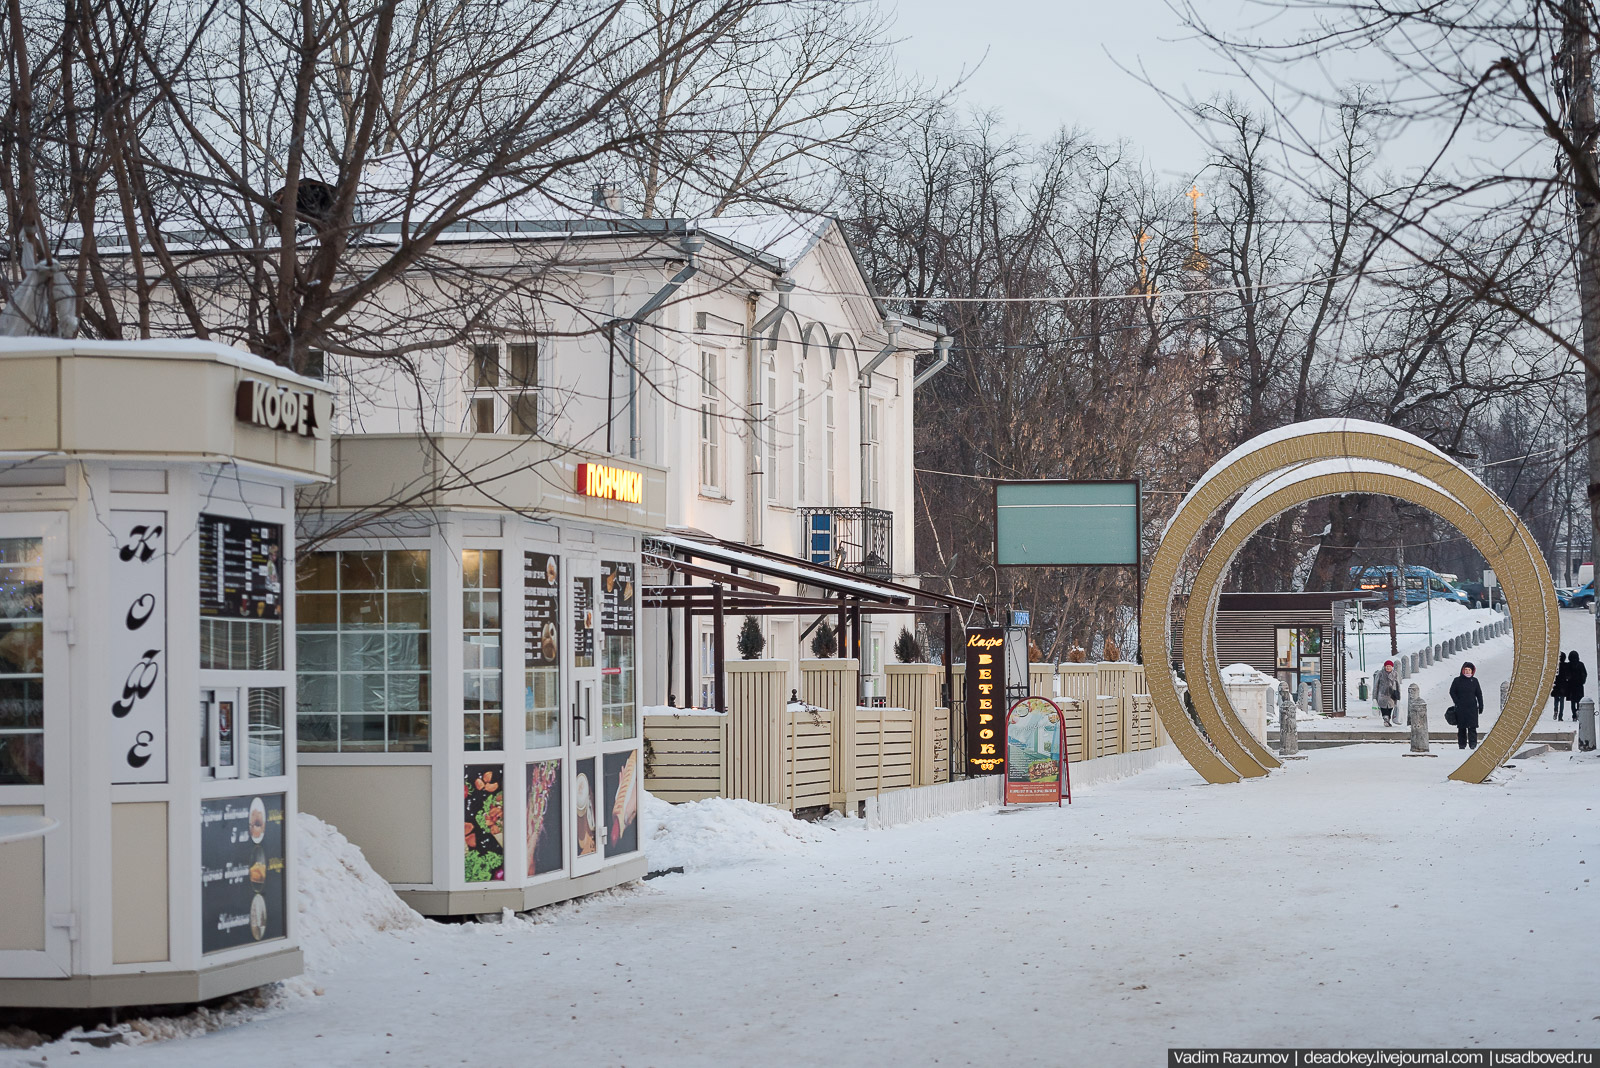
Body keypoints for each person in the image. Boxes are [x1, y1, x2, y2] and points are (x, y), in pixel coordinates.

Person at [1449, 662, 1484, 750]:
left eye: (1469, 670)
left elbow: (1479, 694)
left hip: (1472, 707)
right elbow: (1452, 692)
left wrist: (1481, 705)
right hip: (1461, 707)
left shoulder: (1475, 681)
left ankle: (1473, 745)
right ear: (1462, 670)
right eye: (1466, 670)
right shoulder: (1457, 680)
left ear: (1472, 671)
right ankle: (1462, 745)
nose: (1467, 671)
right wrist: (1457, 702)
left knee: (1472, 727)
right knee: (1462, 727)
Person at [1373, 660, 1401, 727]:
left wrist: (1399, 695)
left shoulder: (1395, 674)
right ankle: (1385, 719)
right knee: (1383, 708)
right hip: (1382, 694)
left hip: (1392, 694)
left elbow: (1398, 685)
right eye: (1387, 666)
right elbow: (1376, 685)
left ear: (1392, 667)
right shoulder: (1380, 673)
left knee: (1390, 708)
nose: (1388, 668)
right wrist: (1374, 697)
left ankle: (1388, 719)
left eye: (1389, 666)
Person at [1565, 650, 1587, 720]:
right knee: (1579, 701)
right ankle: (1578, 712)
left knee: (1572, 701)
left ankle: (1574, 715)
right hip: (1579, 685)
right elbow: (1584, 674)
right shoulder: (1581, 664)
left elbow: (1566, 674)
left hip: (1571, 685)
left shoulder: (1568, 665)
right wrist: (1582, 681)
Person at [1552, 651, 1569, 721]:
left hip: (1556, 684)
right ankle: (1560, 715)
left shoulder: (1555, 665)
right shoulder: (1566, 665)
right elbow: (1568, 675)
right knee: (1562, 700)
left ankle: (1555, 710)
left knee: (1556, 699)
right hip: (1563, 685)